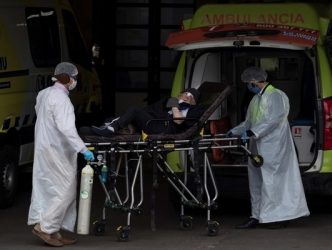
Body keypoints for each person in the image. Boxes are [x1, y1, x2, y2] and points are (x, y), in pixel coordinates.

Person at [226, 66, 309, 229]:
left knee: (273, 180)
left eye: (248, 83)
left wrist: (251, 132)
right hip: (257, 145)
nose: (247, 87)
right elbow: (249, 122)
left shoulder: (276, 96)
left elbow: (273, 120)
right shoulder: (256, 99)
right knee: (257, 181)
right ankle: (257, 215)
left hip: (275, 145)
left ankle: (278, 216)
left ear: (254, 82)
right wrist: (236, 131)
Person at [27, 62, 95, 246]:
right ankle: (45, 227)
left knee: (48, 189)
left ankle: (53, 231)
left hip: (44, 148)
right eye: (74, 78)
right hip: (57, 150)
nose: (75, 81)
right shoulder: (62, 99)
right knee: (66, 190)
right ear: (68, 78)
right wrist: (83, 149)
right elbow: (67, 129)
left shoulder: (44, 94)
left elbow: (41, 115)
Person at [91, 88, 205, 136]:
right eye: (185, 93)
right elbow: (153, 110)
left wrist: (175, 104)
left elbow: (179, 121)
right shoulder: (171, 102)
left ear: (194, 101)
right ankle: (109, 127)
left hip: (162, 128)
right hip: (154, 122)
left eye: (190, 96)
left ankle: (112, 128)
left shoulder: (192, 110)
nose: (186, 96)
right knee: (111, 119)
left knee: (134, 109)